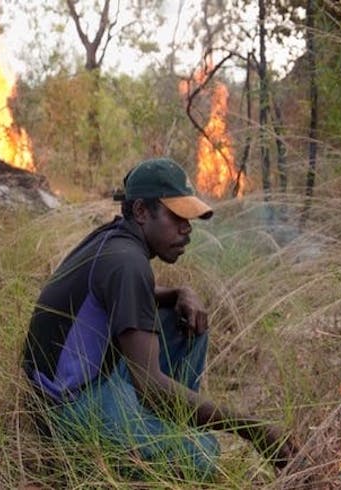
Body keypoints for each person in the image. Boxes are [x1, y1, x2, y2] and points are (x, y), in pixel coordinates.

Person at [21, 158, 294, 480]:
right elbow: (150, 386)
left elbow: (128, 295)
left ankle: (160, 427)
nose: (187, 229)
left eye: (189, 219)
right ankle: (147, 442)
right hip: (68, 408)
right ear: (140, 211)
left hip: (84, 381)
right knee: (202, 455)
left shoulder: (113, 241)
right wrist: (251, 429)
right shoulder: (127, 262)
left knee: (186, 325)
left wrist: (179, 292)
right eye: (177, 217)